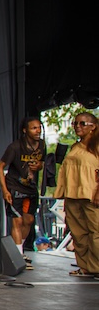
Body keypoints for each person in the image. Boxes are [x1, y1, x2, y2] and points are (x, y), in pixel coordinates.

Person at [53, 112, 99, 276]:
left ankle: (96, 267)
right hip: (72, 195)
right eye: (75, 123)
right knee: (78, 233)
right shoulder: (75, 146)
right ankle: (86, 267)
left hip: (91, 195)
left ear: (93, 127)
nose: (77, 126)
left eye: (82, 124)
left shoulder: (97, 146)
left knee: (96, 232)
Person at [0, 117, 46, 261]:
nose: (38, 131)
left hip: (30, 188)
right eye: (34, 128)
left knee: (29, 220)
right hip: (14, 186)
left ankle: (19, 248)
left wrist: (39, 166)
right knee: (17, 221)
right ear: (25, 130)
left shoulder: (42, 145)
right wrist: (5, 190)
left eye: (39, 128)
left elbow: (41, 163)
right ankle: (19, 255)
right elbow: (1, 166)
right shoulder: (15, 147)